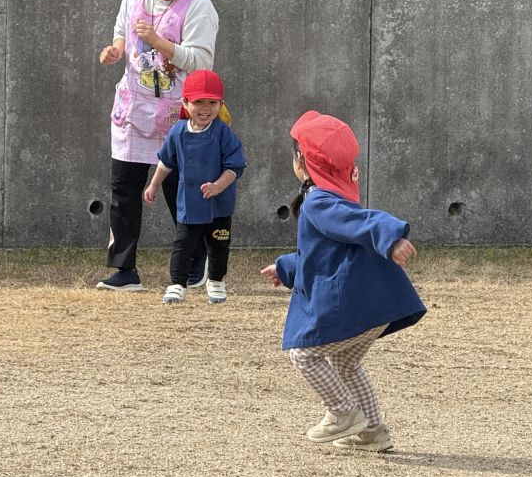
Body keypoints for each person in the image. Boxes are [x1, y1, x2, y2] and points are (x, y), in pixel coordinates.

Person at [261, 111, 427, 452]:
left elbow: (362, 221)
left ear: (302, 161)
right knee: (347, 362)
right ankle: (373, 432)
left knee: (302, 355)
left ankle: (342, 413)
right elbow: (324, 256)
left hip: (355, 305)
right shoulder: (328, 198)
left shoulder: (319, 201)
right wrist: (285, 268)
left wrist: (391, 236)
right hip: (373, 305)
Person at [96, 0, 218, 292]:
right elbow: (122, 31)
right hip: (133, 108)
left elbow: (200, 62)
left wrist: (158, 42)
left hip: (177, 113)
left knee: (180, 188)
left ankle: (196, 260)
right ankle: (124, 269)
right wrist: (116, 49)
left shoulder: (198, 7)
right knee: (123, 189)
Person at [143, 70, 246, 305]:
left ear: (221, 104)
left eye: (212, 102)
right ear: (185, 103)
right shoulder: (178, 132)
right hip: (189, 202)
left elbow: (235, 166)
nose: (205, 108)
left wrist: (219, 186)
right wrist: (153, 185)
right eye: (198, 102)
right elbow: (166, 162)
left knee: (219, 244)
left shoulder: (223, 132)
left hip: (219, 204)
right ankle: (177, 283)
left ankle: (216, 281)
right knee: (183, 244)